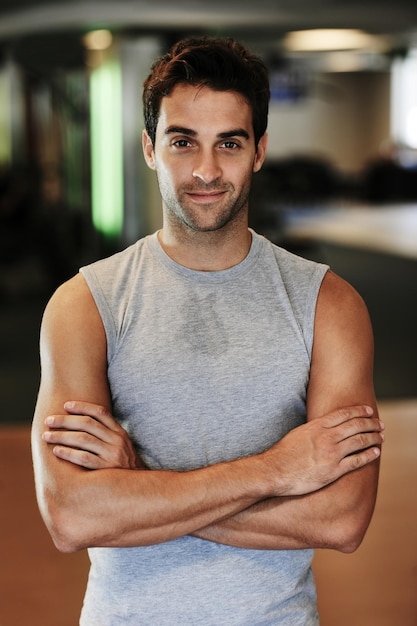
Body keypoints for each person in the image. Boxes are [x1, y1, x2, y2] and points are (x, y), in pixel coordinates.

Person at [32, 36, 384, 625]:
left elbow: (342, 519)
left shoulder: (330, 305)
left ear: (260, 150)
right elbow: (72, 517)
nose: (205, 170)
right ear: (150, 148)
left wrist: (136, 486)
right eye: (181, 142)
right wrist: (277, 472)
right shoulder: (84, 305)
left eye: (229, 142)